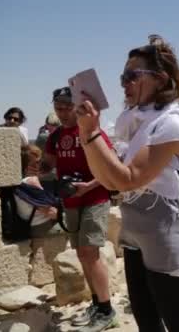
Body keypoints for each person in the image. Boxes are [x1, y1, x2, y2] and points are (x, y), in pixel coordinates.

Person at [74, 35, 179, 332]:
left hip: (163, 232)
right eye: (123, 76)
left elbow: (128, 179)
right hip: (135, 231)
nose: (124, 83)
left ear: (159, 79)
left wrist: (91, 133)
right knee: (145, 318)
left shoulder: (172, 124)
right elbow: (110, 181)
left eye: (132, 76)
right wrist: (87, 133)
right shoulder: (133, 122)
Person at [43, 86, 116, 331]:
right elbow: (49, 165)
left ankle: (107, 310)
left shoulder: (91, 131)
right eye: (58, 108)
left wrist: (89, 185)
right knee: (83, 255)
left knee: (91, 253)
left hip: (95, 197)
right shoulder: (55, 137)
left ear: (76, 107)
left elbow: (112, 165)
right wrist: (40, 168)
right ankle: (97, 304)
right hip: (71, 201)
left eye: (66, 107)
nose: (62, 112)